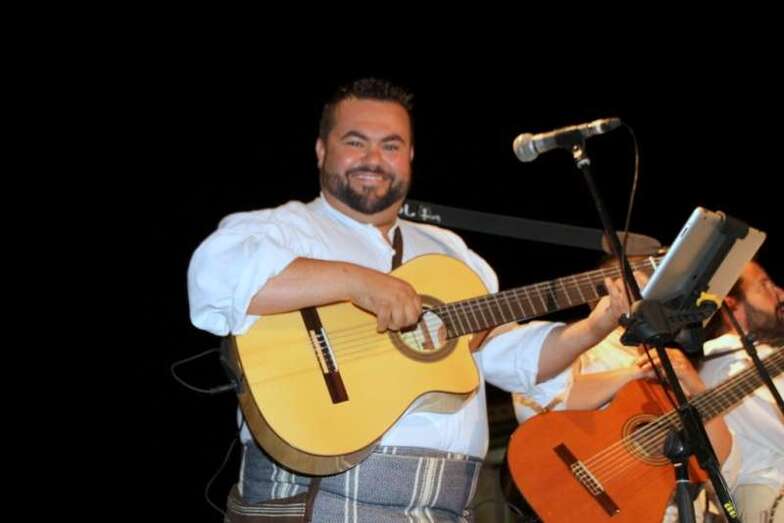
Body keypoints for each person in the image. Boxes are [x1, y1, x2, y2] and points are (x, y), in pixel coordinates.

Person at [187, 78, 632, 522]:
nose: (373, 159)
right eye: (355, 142)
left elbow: (512, 357)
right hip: (323, 498)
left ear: (410, 157)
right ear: (321, 150)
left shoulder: (451, 253)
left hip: (445, 506)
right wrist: (358, 282)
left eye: (391, 145)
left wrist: (596, 325)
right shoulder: (284, 229)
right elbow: (214, 280)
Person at [511, 256, 739, 522]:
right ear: (612, 292)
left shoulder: (669, 362)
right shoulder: (577, 347)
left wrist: (695, 385)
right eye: (650, 286)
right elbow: (537, 401)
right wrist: (633, 374)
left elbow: (718, 460)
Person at [700, 260, 783, 522]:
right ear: (730, 303)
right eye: (764, 285)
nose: (780, 293)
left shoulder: (763, 354)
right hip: (768, 495)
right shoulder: (726, 361)